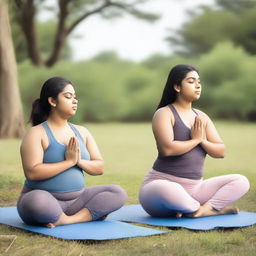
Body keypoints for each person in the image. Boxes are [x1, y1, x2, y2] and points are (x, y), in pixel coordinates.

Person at [139, 64, 250, 218]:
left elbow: (220, 152)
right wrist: (196, 139)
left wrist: (203, 141)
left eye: (199, 81)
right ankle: (204, 209)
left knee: (241, 181)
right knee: (170, 190)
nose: (198, 86)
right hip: (159, 188)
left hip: (195, 189)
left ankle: (202, 210)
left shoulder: (201, 116)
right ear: (177, 86)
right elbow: (168, 149)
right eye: (191, 81)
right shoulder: (164, 113)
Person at [17, 77, 127, 227]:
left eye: (75, 97)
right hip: (46, 199)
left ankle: (67, 220)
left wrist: (78, 161)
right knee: (36, 201)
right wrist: (68, 162)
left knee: (117, 192)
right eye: (68, 97)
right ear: (53, 101)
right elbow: (32, 173)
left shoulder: (82, 132)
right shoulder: (36, 133)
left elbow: (99, 167)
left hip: (78, 200)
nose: (75, 101)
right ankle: (87, 215)